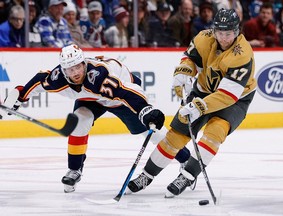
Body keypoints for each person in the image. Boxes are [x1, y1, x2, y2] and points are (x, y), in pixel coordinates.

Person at [0, 43, 167, 193]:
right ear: (63, 70)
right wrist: (19, 98)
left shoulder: (100, 77)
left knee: (154, 133)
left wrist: (145, 110)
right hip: (91, 98)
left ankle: (186, 162)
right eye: (70, 70)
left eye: (78, 67)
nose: (75, 73)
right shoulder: (58, 78)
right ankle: (74, 170)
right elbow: (38, 81)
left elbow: (126, 93)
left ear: (84, 63)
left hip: (117, 100)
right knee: (80, 121)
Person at [127, 8, 256, 198]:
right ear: (214, 30)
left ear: (237, 32)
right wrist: (182, 73)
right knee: (176, 136)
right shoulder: (204, 38)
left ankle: (187, 175)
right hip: (203, 90)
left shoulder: (243, 54)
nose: (224, 38)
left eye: (228, 33)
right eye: (220, 32)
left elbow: (227, 95)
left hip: (236, 99)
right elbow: (190, 59)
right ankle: (147, 175)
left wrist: (199, 106)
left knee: (215, 131)